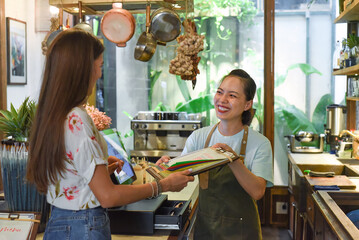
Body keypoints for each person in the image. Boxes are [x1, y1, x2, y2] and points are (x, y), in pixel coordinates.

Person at [26, 29, 194, 240]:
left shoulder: (55, 114)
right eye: (98, 66)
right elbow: (108, 197)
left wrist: (101, 168)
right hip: (83, 226)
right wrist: (162, 185)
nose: (99, 74)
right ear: (81, 69)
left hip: (61, 222)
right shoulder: (76, 119)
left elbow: (70, 173)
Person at [157, 69, 273, 240]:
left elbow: (257, 192)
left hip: (242, 232)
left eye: (232, 95)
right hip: (206, 229)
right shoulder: (200, 137)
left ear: (247, 104)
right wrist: (165, 167)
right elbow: (179, 177)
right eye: (220, 92)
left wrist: (232, 159)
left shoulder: (260, 143)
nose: (222, 100)